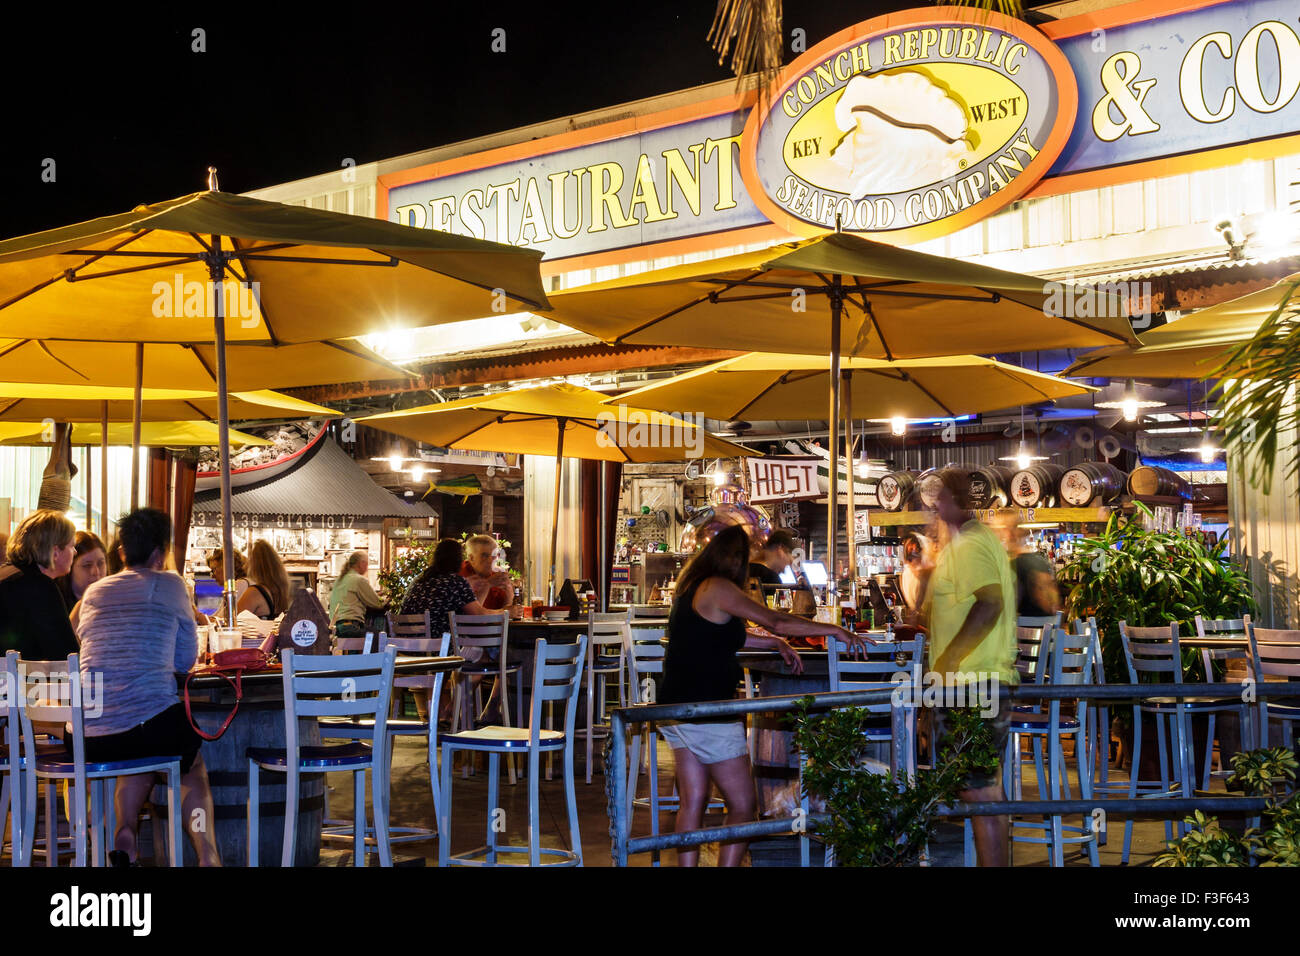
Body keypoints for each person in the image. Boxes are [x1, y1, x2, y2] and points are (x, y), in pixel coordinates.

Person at [658, 525, 872, 867]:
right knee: (743, 805)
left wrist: (772, 643)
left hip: (676, 707)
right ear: (738, 561)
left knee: (694, 800)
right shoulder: (720, 587)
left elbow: (722, 636)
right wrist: (834, 629)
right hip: (709, 711)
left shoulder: (693, 587)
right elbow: (776, 620)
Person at [74, 507, 221, 867]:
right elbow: (185, 660)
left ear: (121, 552)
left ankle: (125, 834)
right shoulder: (170, 584)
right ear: (159, 553)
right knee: (190, 766)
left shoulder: (93, 593)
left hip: (89, 733)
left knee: (139, 752)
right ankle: (207, 854)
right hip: (148, 723)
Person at [922, 469, 1017, 867]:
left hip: (971, 683)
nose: (935, 505)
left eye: (941, 497)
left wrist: (947, 660)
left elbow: (990, 603)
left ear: (958, 501)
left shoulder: (970, 545)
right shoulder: (974, 542)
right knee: (982, 787)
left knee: (975, 789)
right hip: (980, 681)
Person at [403, 538, 493, 723]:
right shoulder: (455, 581)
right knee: (486, 660)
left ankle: (436, 717)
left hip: (411, 647)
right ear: (459, 560)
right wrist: (508, 611)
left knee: (439, 665)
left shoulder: (419, 580)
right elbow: (478, 615)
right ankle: (452, 707)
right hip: (441, 649)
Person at [0, 509, 79, 660]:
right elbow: (66, 656)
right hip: (19, 681)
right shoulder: (40, 587)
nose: (75, 552)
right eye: (71, 546)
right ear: (55, 552)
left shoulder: (6, 573)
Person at [995, 515, 1062, 618]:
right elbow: (1053, 602)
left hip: (1026, 628)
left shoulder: (1011, 564)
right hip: (1043, 627)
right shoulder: (1038, 561)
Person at [329, 550, 387, 640]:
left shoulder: (340, 580)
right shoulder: (358, 579)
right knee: (379, 637)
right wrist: (390, 598)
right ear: (361, 563)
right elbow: (378, 603)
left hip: (336, 628)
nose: (367, 568)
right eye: (367, 564)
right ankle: (369, 655)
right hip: (349, 627)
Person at [58, 530, 108, 629]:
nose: (96, 572)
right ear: (70, 569)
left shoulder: (113, 601)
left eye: (100, 563)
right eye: (87, 565)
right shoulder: (57, 604)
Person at [237, 540, 291, 620]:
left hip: (256, 632)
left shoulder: (254, 592)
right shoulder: (281, 591)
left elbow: (234, 621)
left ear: (253, 564)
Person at [460, 534, 514, 611]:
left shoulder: (496, 576)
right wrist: (487, 584)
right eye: (485, 556)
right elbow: (469, 615)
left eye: (494, 556)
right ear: (471, 558)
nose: (490, 560)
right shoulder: (460, 577)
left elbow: (505, 611)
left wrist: (509, 594)